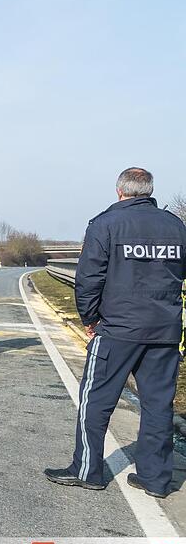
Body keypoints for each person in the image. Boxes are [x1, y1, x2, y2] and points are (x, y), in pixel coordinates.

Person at [45, 168, 186, 498]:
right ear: (149, 191)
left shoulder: (105, 224)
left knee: (95, 399)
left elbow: (88, 279)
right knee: (158, 405)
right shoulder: (176, 226)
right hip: (164, 330)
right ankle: (155, 479)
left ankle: (87, 471)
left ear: (119, 191)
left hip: (118, 329)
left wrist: (90, 318)